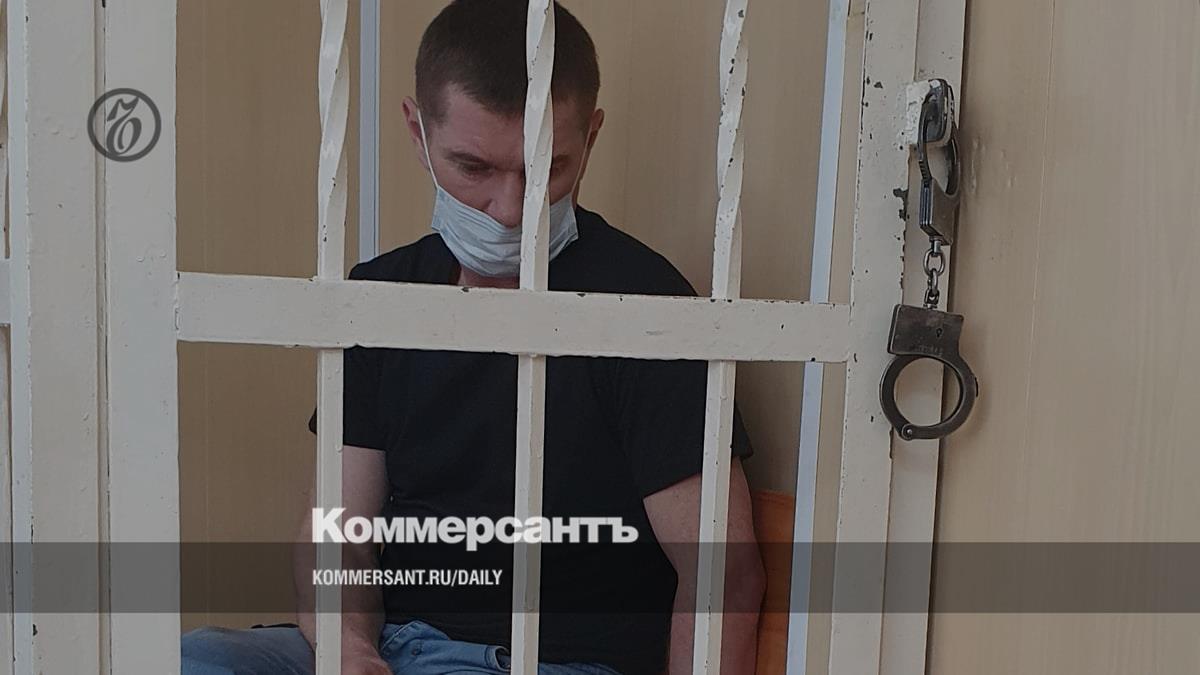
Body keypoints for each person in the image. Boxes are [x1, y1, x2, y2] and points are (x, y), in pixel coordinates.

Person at [181, 1, 764, 673]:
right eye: (474, 168)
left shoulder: (647, 306)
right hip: (394, 644)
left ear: (591, 137)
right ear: (417, 132)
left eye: (546, 169)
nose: (511, 210)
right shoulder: (379, 295)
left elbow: (724, 574)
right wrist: (351, 650)